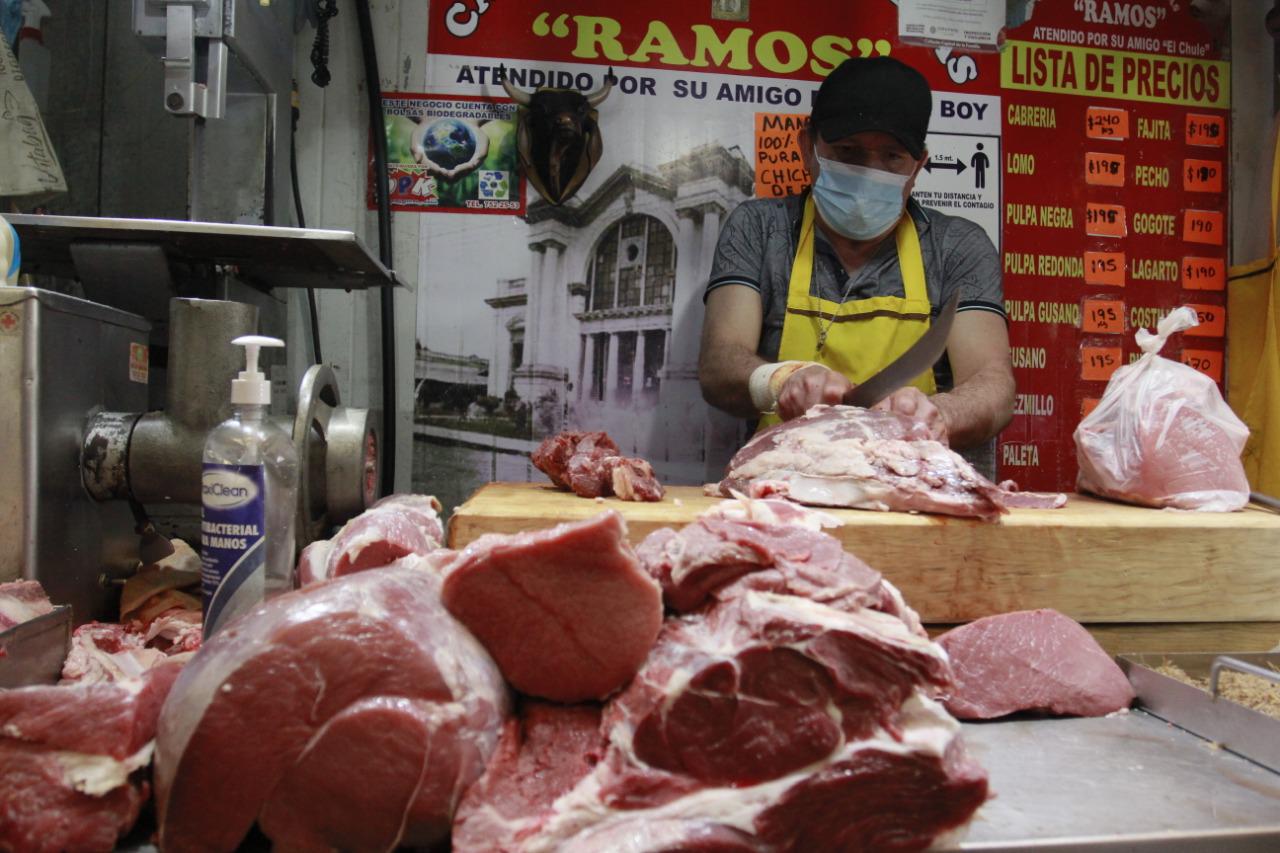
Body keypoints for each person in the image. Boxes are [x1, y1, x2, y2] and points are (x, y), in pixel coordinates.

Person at [698, 56, 1014, 475]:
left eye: (892, 158)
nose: (869, 173)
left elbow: (994, 385)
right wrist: (781, 380)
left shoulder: (957, 245)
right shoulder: (760, 229)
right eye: (848, 152)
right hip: (782, 495)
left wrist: (939, 415)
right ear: (808, 146)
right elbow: (719, 363)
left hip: (917, 498)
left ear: (918, 165)